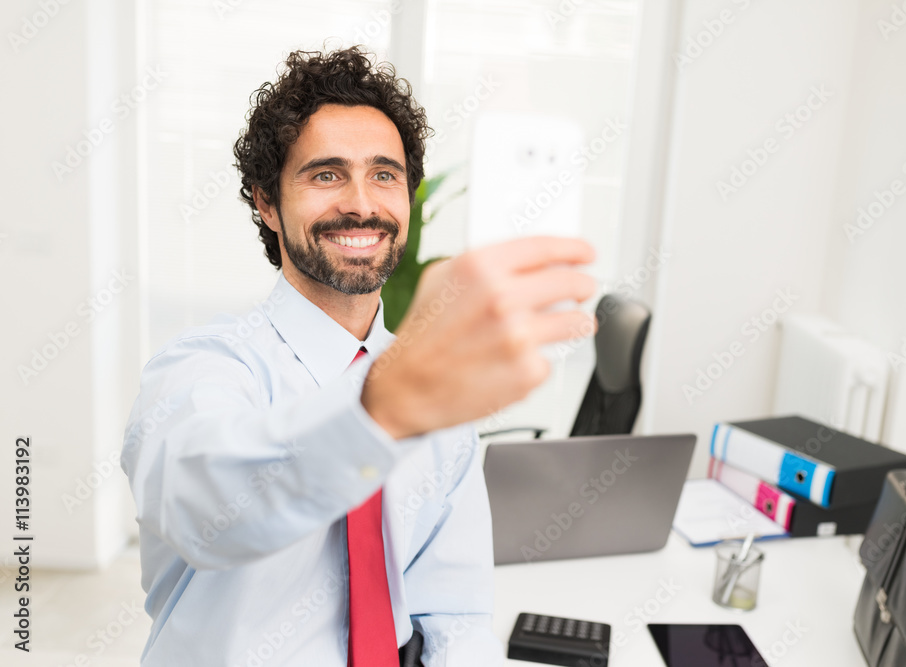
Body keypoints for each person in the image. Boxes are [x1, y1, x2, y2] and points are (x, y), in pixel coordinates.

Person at [120, 46, 596, 667]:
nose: (362, 204)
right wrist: (381, 408)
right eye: (325, 174)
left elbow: (454, 607)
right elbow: (206, 509)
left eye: (384, 174)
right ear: (266, 203)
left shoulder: (430, 381)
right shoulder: (202, 369)